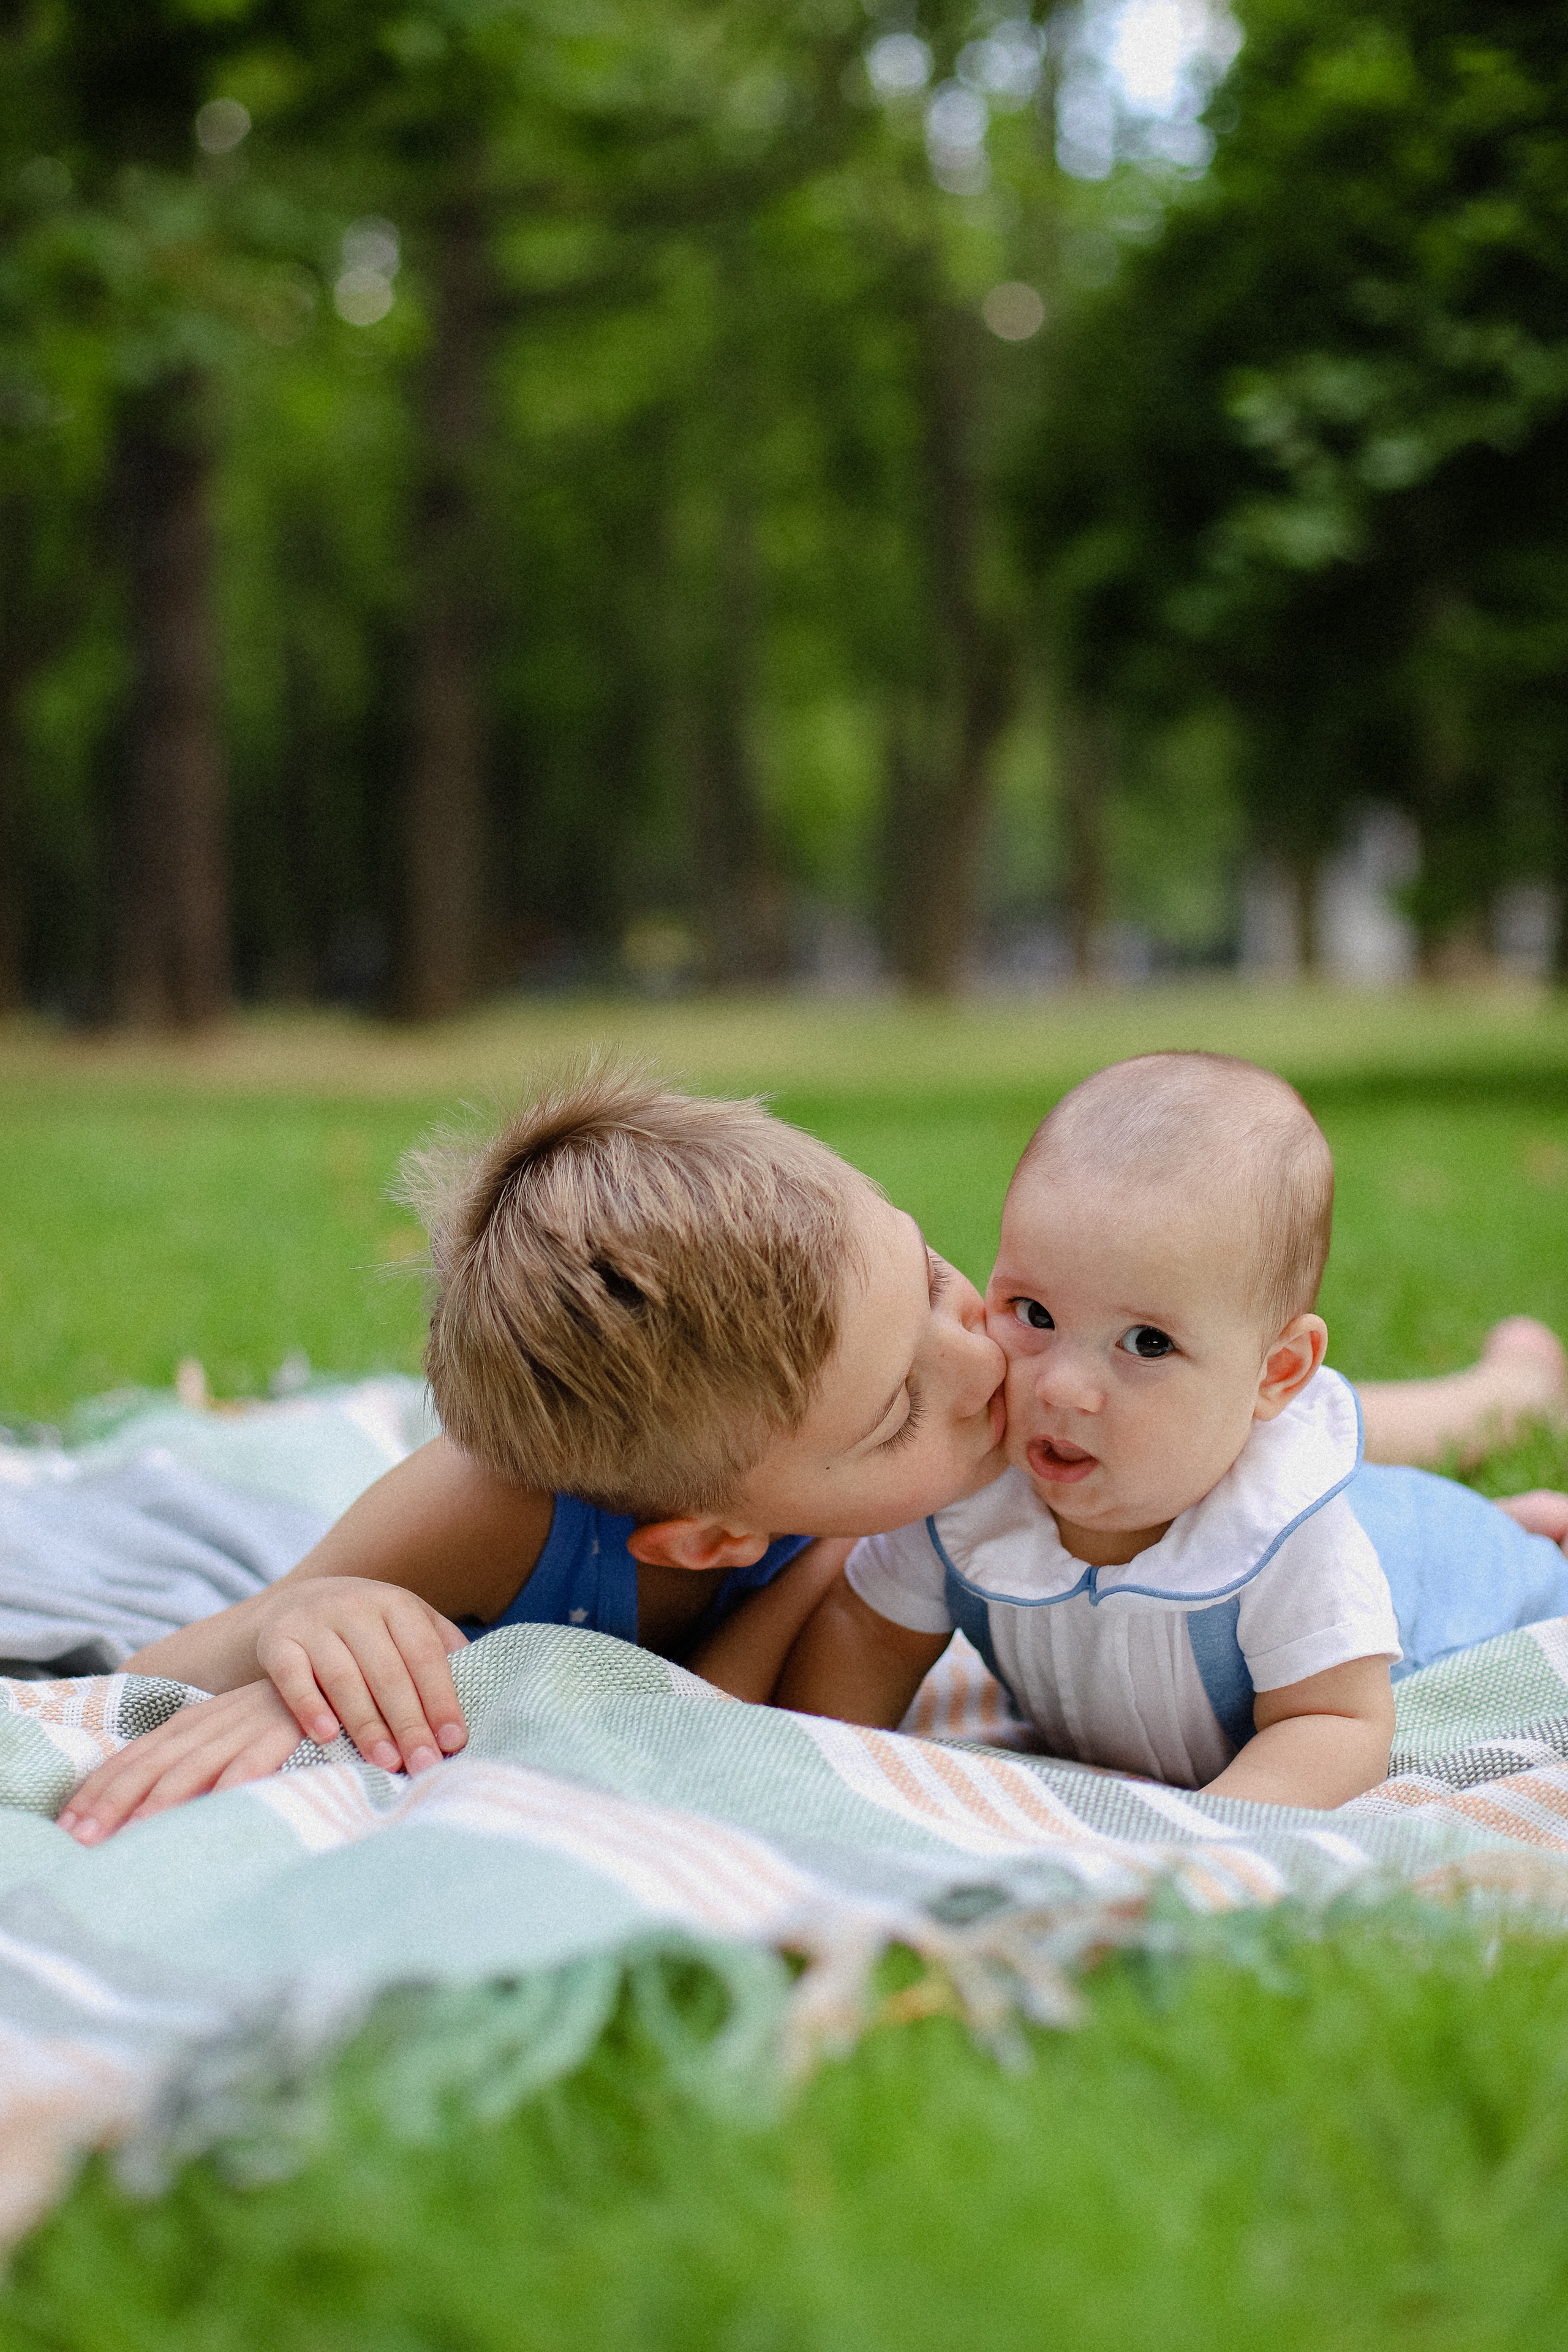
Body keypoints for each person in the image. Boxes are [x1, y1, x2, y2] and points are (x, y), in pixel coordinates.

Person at [55, 1061, 1568, 1841]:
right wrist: (299, 1626)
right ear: (710, 1537)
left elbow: (743, 1707)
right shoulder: (479, 1505)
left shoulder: (959, 1434)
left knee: (1294, 1432)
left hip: (1311, 1458)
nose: (992, 1366)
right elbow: (171, 1665)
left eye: (929, 1279)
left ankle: (1494, 1390)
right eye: (901, 1405)